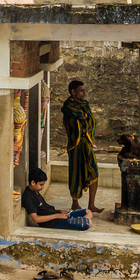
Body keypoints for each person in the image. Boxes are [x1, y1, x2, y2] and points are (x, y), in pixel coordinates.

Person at [62, 79, 103, 213]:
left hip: (87, 144)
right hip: (76, 145)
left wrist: (84, 120)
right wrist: (82, 120)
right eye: (81, 91)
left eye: (84, 90)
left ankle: (92, 205)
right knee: (76, 174)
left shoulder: (85, 105)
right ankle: (75, 203)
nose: (84, 93)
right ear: (73, 92)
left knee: (94, 172)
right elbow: (76, 124)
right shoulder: (68, 107)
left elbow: (89, 121)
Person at [20, 168, 92, 230]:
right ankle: (74, 223)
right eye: (41, 185)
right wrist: (57, 216)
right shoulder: (28, 197)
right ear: (33, 182)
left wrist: (59, 212)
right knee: (89, 223)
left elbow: (45, 209)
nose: (43, 187)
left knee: (88, 212)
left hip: (57, 215)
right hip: (54, 223)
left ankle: (75, 223)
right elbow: (35, 219)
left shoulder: (35, 191)